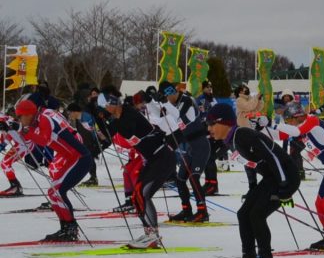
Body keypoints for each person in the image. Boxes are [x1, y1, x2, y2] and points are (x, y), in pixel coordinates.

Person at [206, 103, 300, 258]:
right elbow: (252, 164)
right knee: (243, 213)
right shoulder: (231, 140)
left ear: (224, 123)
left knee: (256, 214)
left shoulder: (242, 134)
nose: (209, 128)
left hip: (285, 176)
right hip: (272, 178)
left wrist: (284, 184)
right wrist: (253, 188)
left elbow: (272, 156)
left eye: (212, 124)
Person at [268, 102, 324, 251]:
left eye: (288, 121)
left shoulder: (312, 121)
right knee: (319, 203)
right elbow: (282, 134)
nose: (288, 124)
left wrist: (271, 123)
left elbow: (295, 131)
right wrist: (261, 129)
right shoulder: (303, 126)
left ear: (296, 116)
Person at [101, 90, 175, 248]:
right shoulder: (121, 117)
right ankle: (150, 234)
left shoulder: (129, 113)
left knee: (143, 193)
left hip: (162, 157)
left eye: (105, 104)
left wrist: (110, 123)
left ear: (114, 104)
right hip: (153, 160)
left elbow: (127, 130)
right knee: (136, 196)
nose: (104, 107)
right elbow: (109, 134)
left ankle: (153, 236)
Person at [16, 99, 91, 241]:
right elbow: (28, 135)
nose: (19, 119)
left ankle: (70, 228)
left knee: (57, 191)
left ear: (27, 114)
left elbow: (43, 140)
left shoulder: (44, 119)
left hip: (80, 158)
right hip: (72, 159)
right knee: (53, 192)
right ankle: (66, 227)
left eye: (19, 116)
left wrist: (23, 131)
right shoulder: (35, 122)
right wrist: (13, 128)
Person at [158, 81, 210, 223]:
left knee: (193, 178)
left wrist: (165, 105)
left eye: (168, 96)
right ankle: (186, 210)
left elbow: (180, 119)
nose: (169, 99)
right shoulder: (173, 103)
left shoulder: (186, 100)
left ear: (171, 92)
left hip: (201, 145)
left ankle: (202, 211)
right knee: (180, 180)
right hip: (191, 147)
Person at [235, 84, 263, 192]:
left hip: (254, 128)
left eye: (246, 88)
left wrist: (259, 100)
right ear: (240, 92)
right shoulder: (239, 100)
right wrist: (256, 98)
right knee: (248, 157)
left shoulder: (251, 99)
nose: (246, 90)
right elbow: (249, 107)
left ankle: (259, 181)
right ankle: (252, 185)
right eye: (243, 89)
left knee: (257, 155)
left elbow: (258, 107)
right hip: (245, 131)